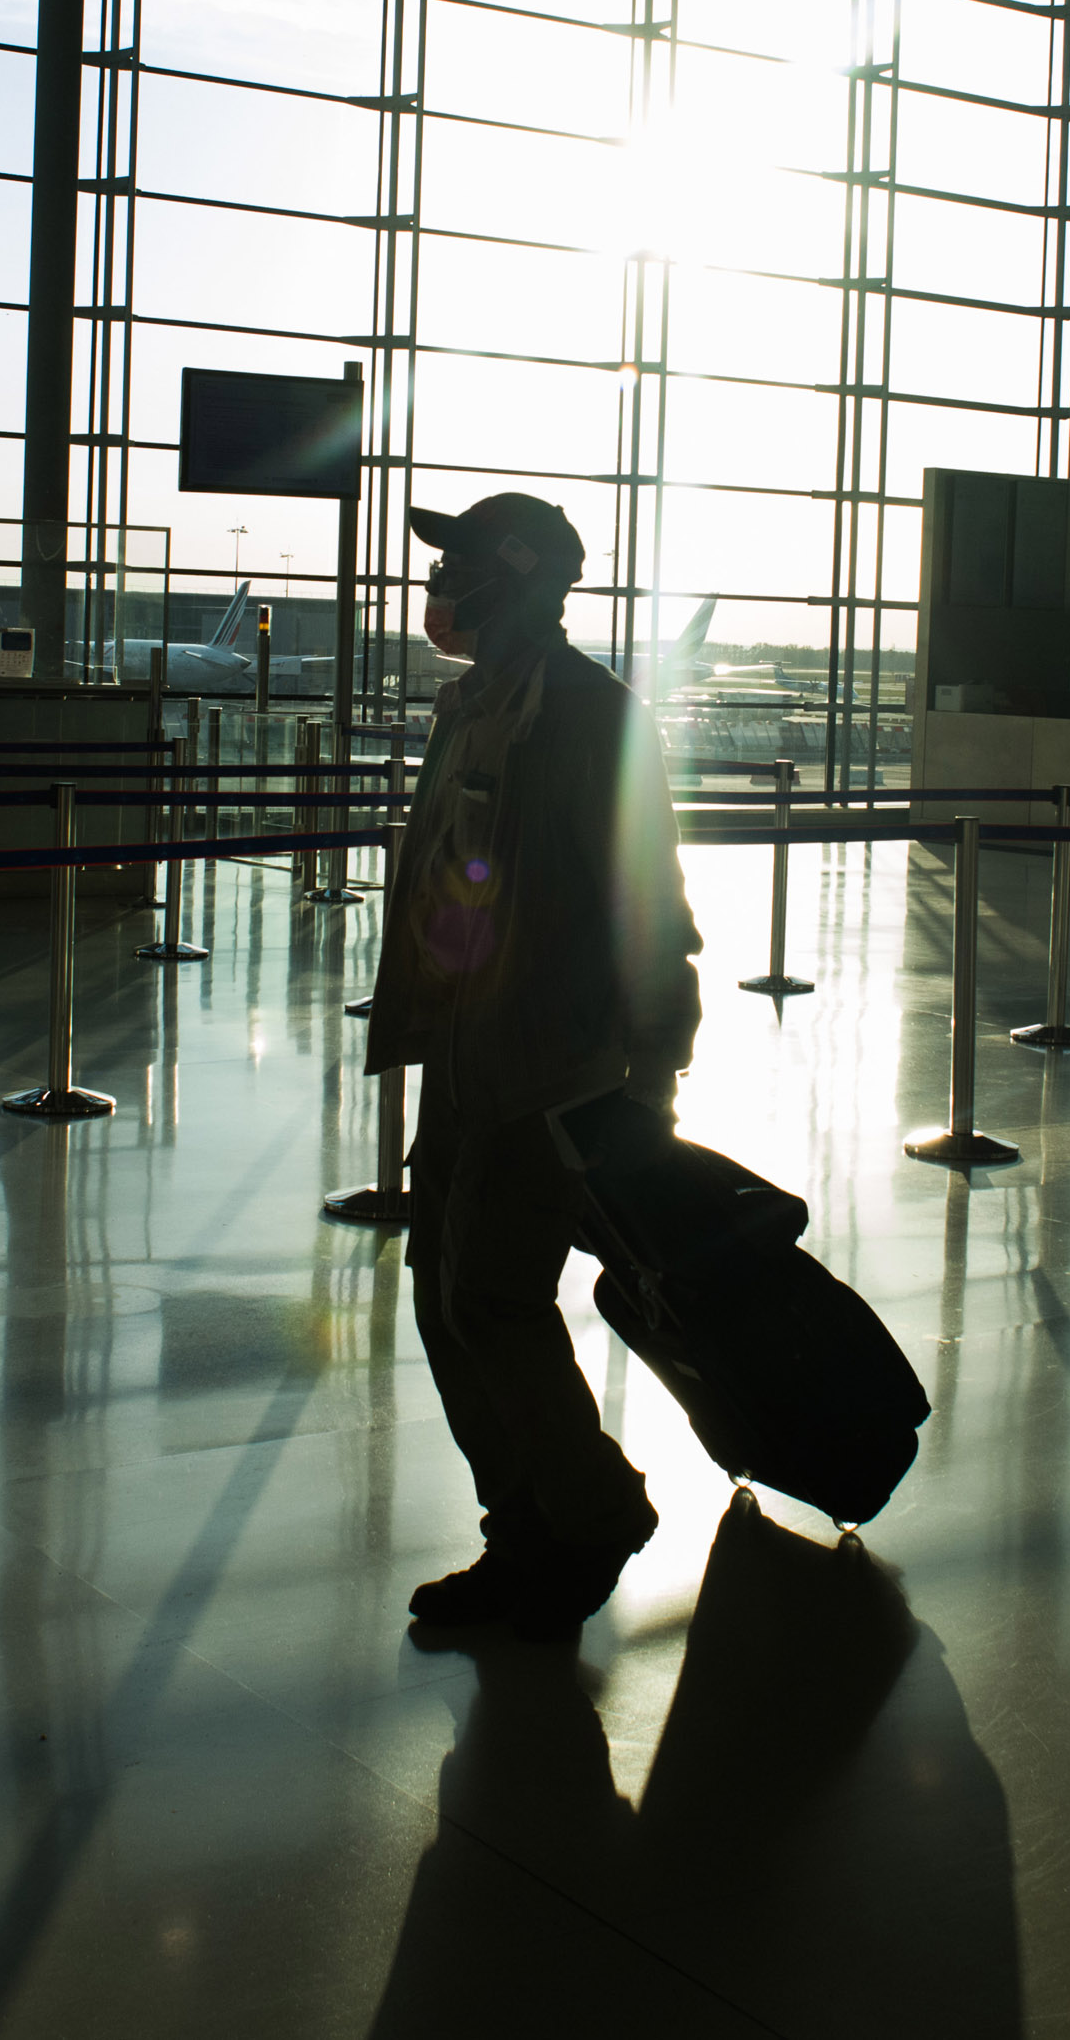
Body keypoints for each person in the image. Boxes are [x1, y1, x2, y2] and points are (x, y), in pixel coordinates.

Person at [365, 492, 702, 1642]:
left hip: (551, 1068)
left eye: (456, 567)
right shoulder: (471, 707)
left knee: (493, 1300)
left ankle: (586, 1518)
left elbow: (649, 907)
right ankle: (522, 1525)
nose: (438, 588)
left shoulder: (588, 716)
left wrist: (652, 1077)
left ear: (517, 582)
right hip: (465, 1059)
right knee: (442, 1297)